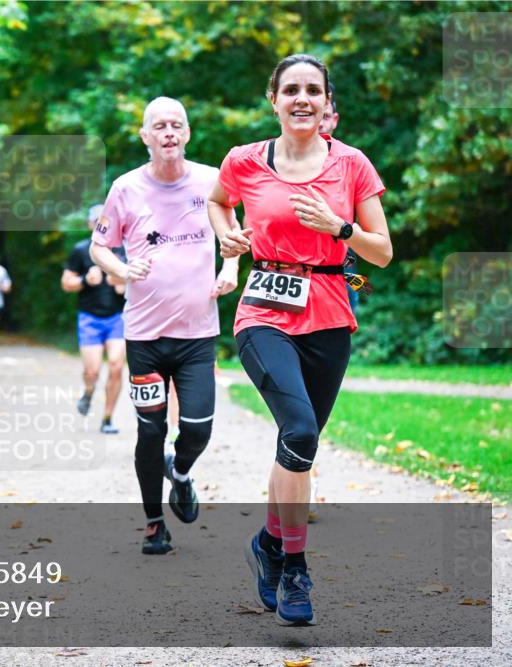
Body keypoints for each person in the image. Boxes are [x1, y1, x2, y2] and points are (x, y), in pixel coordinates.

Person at [208, 54, 392, 625]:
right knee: (301, 429)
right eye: (291, 89)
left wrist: (339, 228)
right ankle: (293, 565)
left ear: (325, 100)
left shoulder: (352, 164)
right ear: (274, 99)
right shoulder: (244, 161)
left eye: (313, 89)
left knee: (298, 447)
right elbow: (217, 201)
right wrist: (228, 237)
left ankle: (266, 543)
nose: (302, 99)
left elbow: (381, 252)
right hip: (264, 311)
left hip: (330, 314)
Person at [89, 96, 240, 556]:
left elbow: (231, 233)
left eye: (177, 124)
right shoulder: (126, 188)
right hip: (144, 336)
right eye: (160, 125)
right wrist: (120, 269)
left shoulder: (212, 180)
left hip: (197, 333)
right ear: (145, 136)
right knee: (150, 431)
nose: (169, 131)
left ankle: (182, 472)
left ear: (187, 133)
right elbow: (100, 247)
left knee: (197, 427)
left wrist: (230, 268)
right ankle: (155, 523)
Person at [61, 205, 127, 436]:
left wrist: (121, 283)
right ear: (91, 225)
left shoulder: (123, 250)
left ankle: (107, 418)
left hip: (118, 318)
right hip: (89, 318)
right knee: (92, 370)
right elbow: (66, 283)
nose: (101, 225)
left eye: (105, 221)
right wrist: (84, 280)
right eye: (96, 221)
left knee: (117, 367)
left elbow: (138, 282)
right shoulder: (81, 251)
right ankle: (89, 393)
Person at [317, 82, 361, 316]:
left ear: (335, 120)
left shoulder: (352, 161)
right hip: (293, 262)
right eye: (317, 115)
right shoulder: (281, 158)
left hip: (344, 262)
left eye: (325, 116)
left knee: (349, 310)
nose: (320, 121)